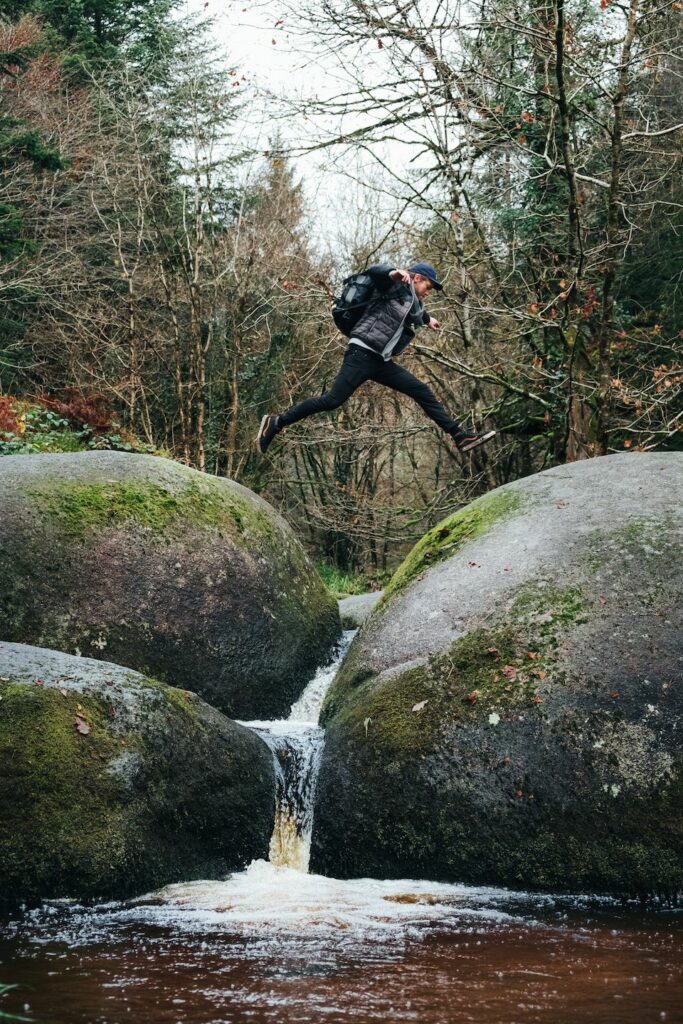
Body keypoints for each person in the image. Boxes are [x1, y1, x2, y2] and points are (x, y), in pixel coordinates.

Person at [256, 262, 496, 455]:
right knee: (332, 400)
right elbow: (375, 272)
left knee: (420, 390)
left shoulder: (412, 301)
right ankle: (276, 422)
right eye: (429, 287)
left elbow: (413, 311)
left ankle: (459, 436)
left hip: (379, 361)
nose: (429, 293)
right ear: (416, 278)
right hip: (362, 352)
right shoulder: (396, 286)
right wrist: (393, 272)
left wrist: (427, 319)